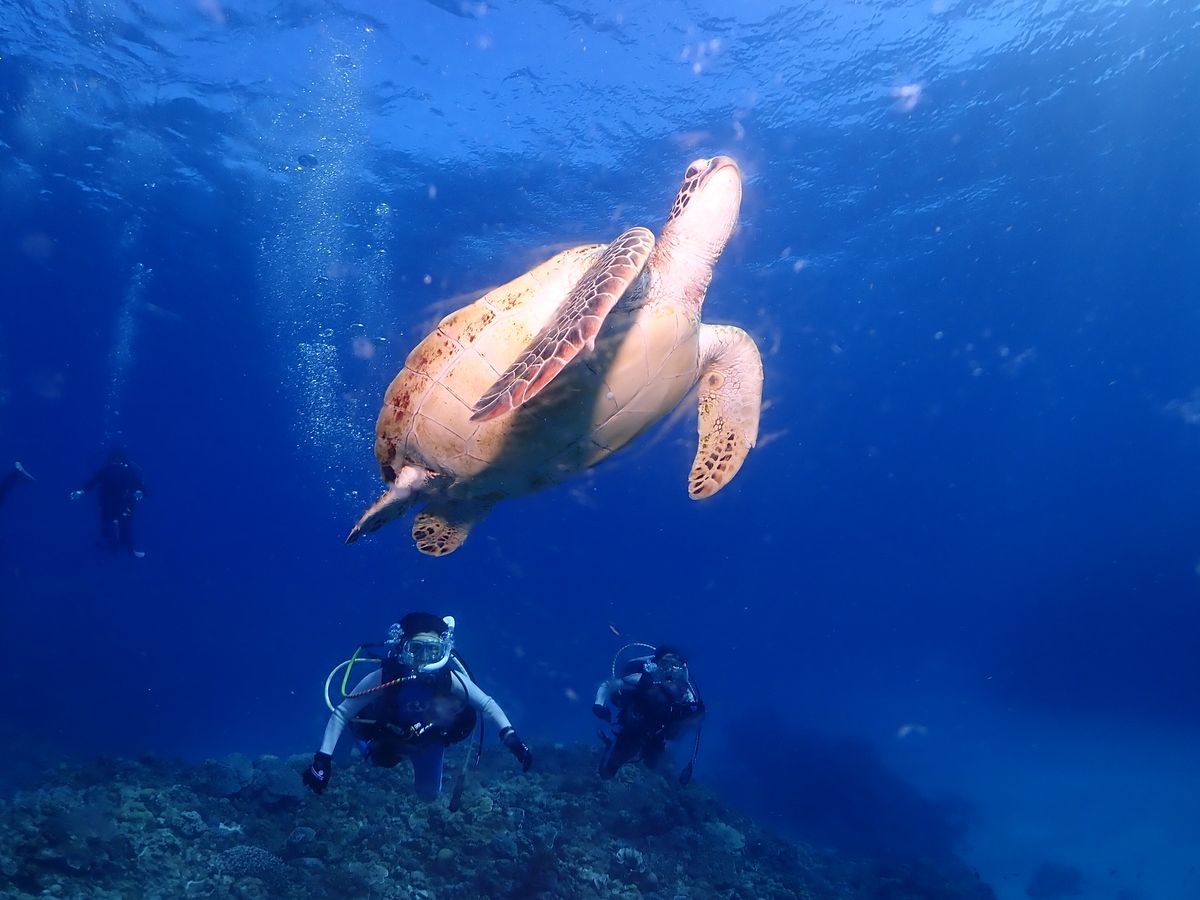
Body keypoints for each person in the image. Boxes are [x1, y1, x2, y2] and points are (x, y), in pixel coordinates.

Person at [302, 612, 532, 802]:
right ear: (403, 647)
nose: (424, 658)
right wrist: (322, 759)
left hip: (428, 741)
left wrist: (511, 739)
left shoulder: (449, 679)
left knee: (428, 795)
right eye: (416, 648)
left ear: (443, 650)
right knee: (377, 761)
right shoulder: (386, 676)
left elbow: (487, 705)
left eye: (432, 650)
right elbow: (343, 712)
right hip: (391, 735)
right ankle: (355, 735)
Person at [594, 644, 705, 784]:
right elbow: (609, 685)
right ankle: (609, 746)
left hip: (658, 734)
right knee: (607, 773)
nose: (670, 670)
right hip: (634, 728)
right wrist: (598, 705)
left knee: (652, 764)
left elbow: (694, 719)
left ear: (681, 668)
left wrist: (695, 714)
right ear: (656, 664)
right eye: (666, 664)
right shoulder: (642, 680)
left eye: (675, 665)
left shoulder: (684, 692)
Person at [69, 449, 146, 558]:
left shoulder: (105, 470)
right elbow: (138, 485)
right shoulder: (128, 471)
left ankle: (111, 540)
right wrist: (140, 492)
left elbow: (93, 482)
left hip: (108, 504)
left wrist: (80, 491)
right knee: (125, 523)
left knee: (107, 523)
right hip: (123, 504)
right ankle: (126, 543)